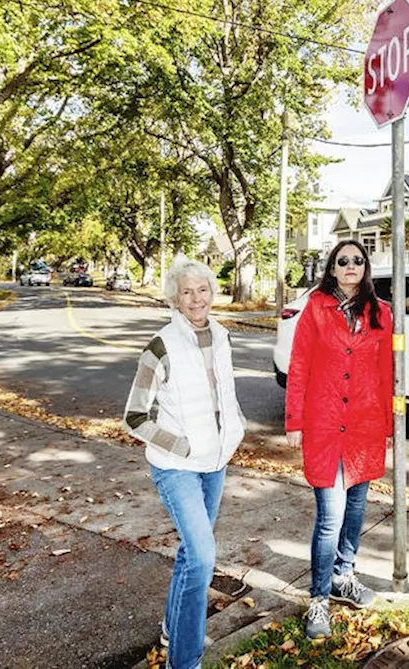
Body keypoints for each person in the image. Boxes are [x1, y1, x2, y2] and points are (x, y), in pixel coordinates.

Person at [122, 257, 245, 669]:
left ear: (212, 293)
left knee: (193, 555)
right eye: (187, 292)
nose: (197, 299)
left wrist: (236, 429)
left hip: (217, 462)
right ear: (175, 298)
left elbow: (225, 397)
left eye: (203, 290)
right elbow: (135, 416)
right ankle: (185, 659)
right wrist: (183, 446)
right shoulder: (162, 345)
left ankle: (174, 628)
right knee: (204, 558)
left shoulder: (223, 336)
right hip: (177, 466)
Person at [285, 240, 394, 639]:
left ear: (366, 268)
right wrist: (295, 421)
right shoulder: (315, 308)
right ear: (331, 268)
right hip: (324, 424)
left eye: (358, 261)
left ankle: (344, 574)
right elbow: (299, 365)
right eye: (342, 261)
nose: (350, 266)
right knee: (330, 516)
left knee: (356, 511)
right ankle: (319, 597)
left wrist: (387, 428)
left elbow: (386, 373)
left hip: (364, 427)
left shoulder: (382, 313)